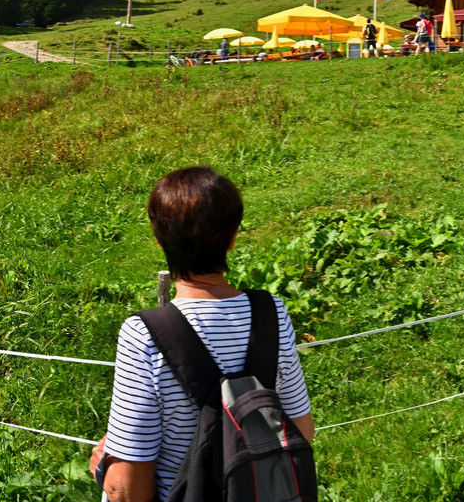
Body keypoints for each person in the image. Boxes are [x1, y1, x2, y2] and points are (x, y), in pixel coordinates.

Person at [94, 167, 312, 500]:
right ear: (232, 238)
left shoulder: (145, 334)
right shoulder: (273, 313)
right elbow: (301, 432)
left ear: (157, 238)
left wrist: (102, 468)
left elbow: (128, 489)